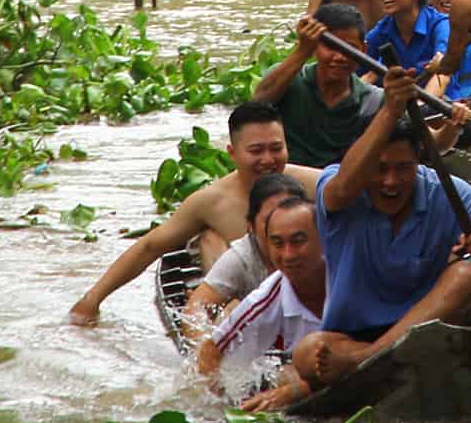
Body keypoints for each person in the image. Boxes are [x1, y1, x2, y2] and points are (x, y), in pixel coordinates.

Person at [292, 73, 471, 390]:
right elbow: (342, 189)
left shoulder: (443, 188)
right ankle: (372, 357)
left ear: (418, 161)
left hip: (431, 330)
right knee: (307, 354)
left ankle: (367, 361)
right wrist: (391, 109)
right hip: (354, 338)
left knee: (468, 275)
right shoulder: (339, 184)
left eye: (403, 168)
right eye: (380, 169)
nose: (391, 182)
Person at [67, 102, 317, 325]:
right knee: (209, 240)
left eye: (276, 149)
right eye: (256, 151)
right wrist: (93, 299)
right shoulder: (211, 202)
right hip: (244, 299)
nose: (268, 160)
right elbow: (150, 246)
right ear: (232, 153)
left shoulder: (312, 184)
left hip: (308, 290)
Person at [255, 6, 471, 169]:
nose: (339, 57)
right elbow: (258, 103)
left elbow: (433, 145)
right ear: (314, 47)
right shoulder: (289, 77)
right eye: (329, 47)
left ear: (364, 49)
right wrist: (301, 51)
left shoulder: (375, 99)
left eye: (350, 49)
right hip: (288, 183)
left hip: (344, 191)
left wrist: (453, 126)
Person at [196, 194, 329, 411]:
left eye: (298, 241)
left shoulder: (349, 274)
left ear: (323, 239)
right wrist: (223, 409)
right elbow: (211, 353)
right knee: (289, 374)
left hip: (354, 353)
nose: (288, 255)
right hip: (305, 367)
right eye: (277, 244)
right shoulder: (267, 297)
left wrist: (297, 391)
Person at [180, 171, 306, 334]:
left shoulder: (321, 251)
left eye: (290, 217)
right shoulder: (242, 256)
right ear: (251, 226)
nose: (281, 226)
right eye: (270, 219)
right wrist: (204, 345)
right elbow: (195, 310)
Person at [364, 0, 449, 78]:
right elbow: (358, 65)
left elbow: (443, 70)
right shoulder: (382, 30)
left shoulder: (439, 24)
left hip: (440, 97)